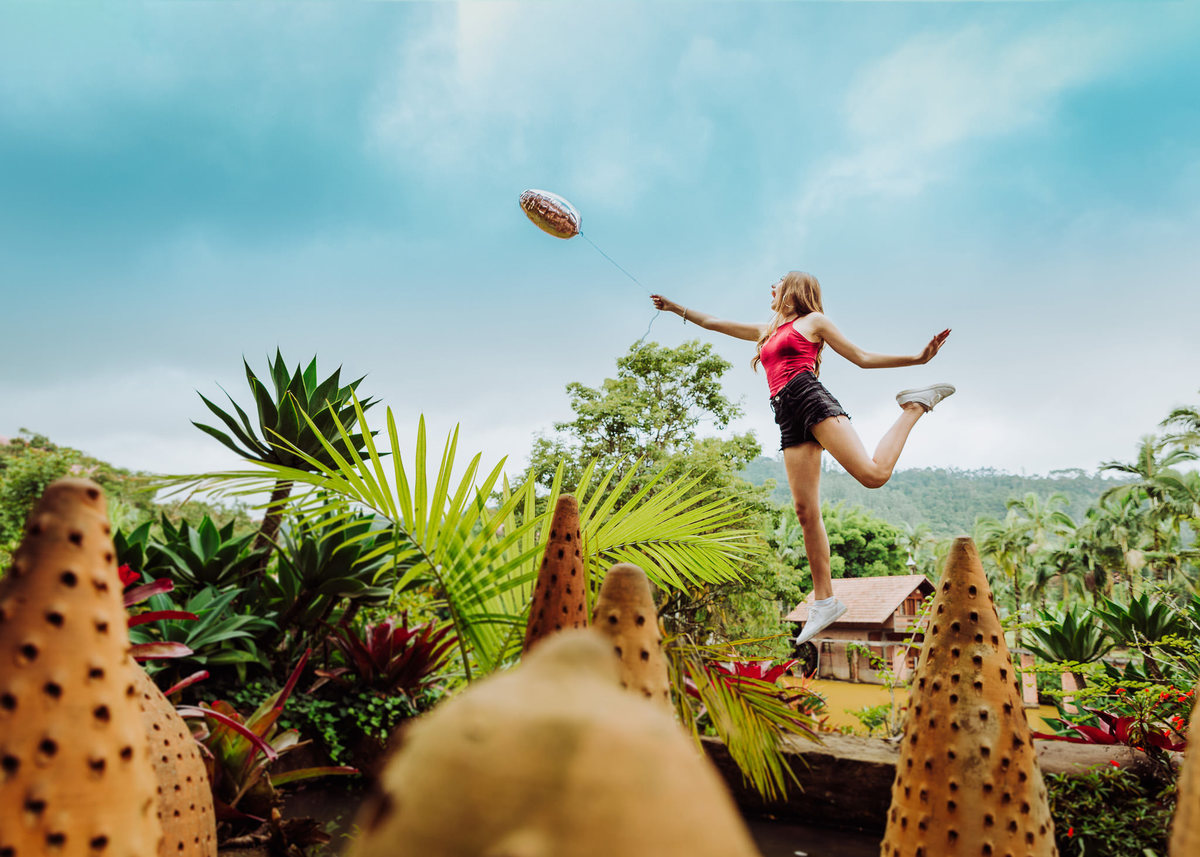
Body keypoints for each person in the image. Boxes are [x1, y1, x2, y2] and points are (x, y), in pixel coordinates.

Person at [650, 271, 953, 646]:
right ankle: (824, 601)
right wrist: (673, 307)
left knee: (874, 475)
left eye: (776, 283)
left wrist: (919, 358)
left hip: (808, 396)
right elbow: (715, 323)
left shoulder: (813, 322)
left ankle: (914, 405)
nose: (771, 289)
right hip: (785, 412)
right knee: (804, 510)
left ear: (793, 289)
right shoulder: (767, 330)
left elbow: (861, 356)